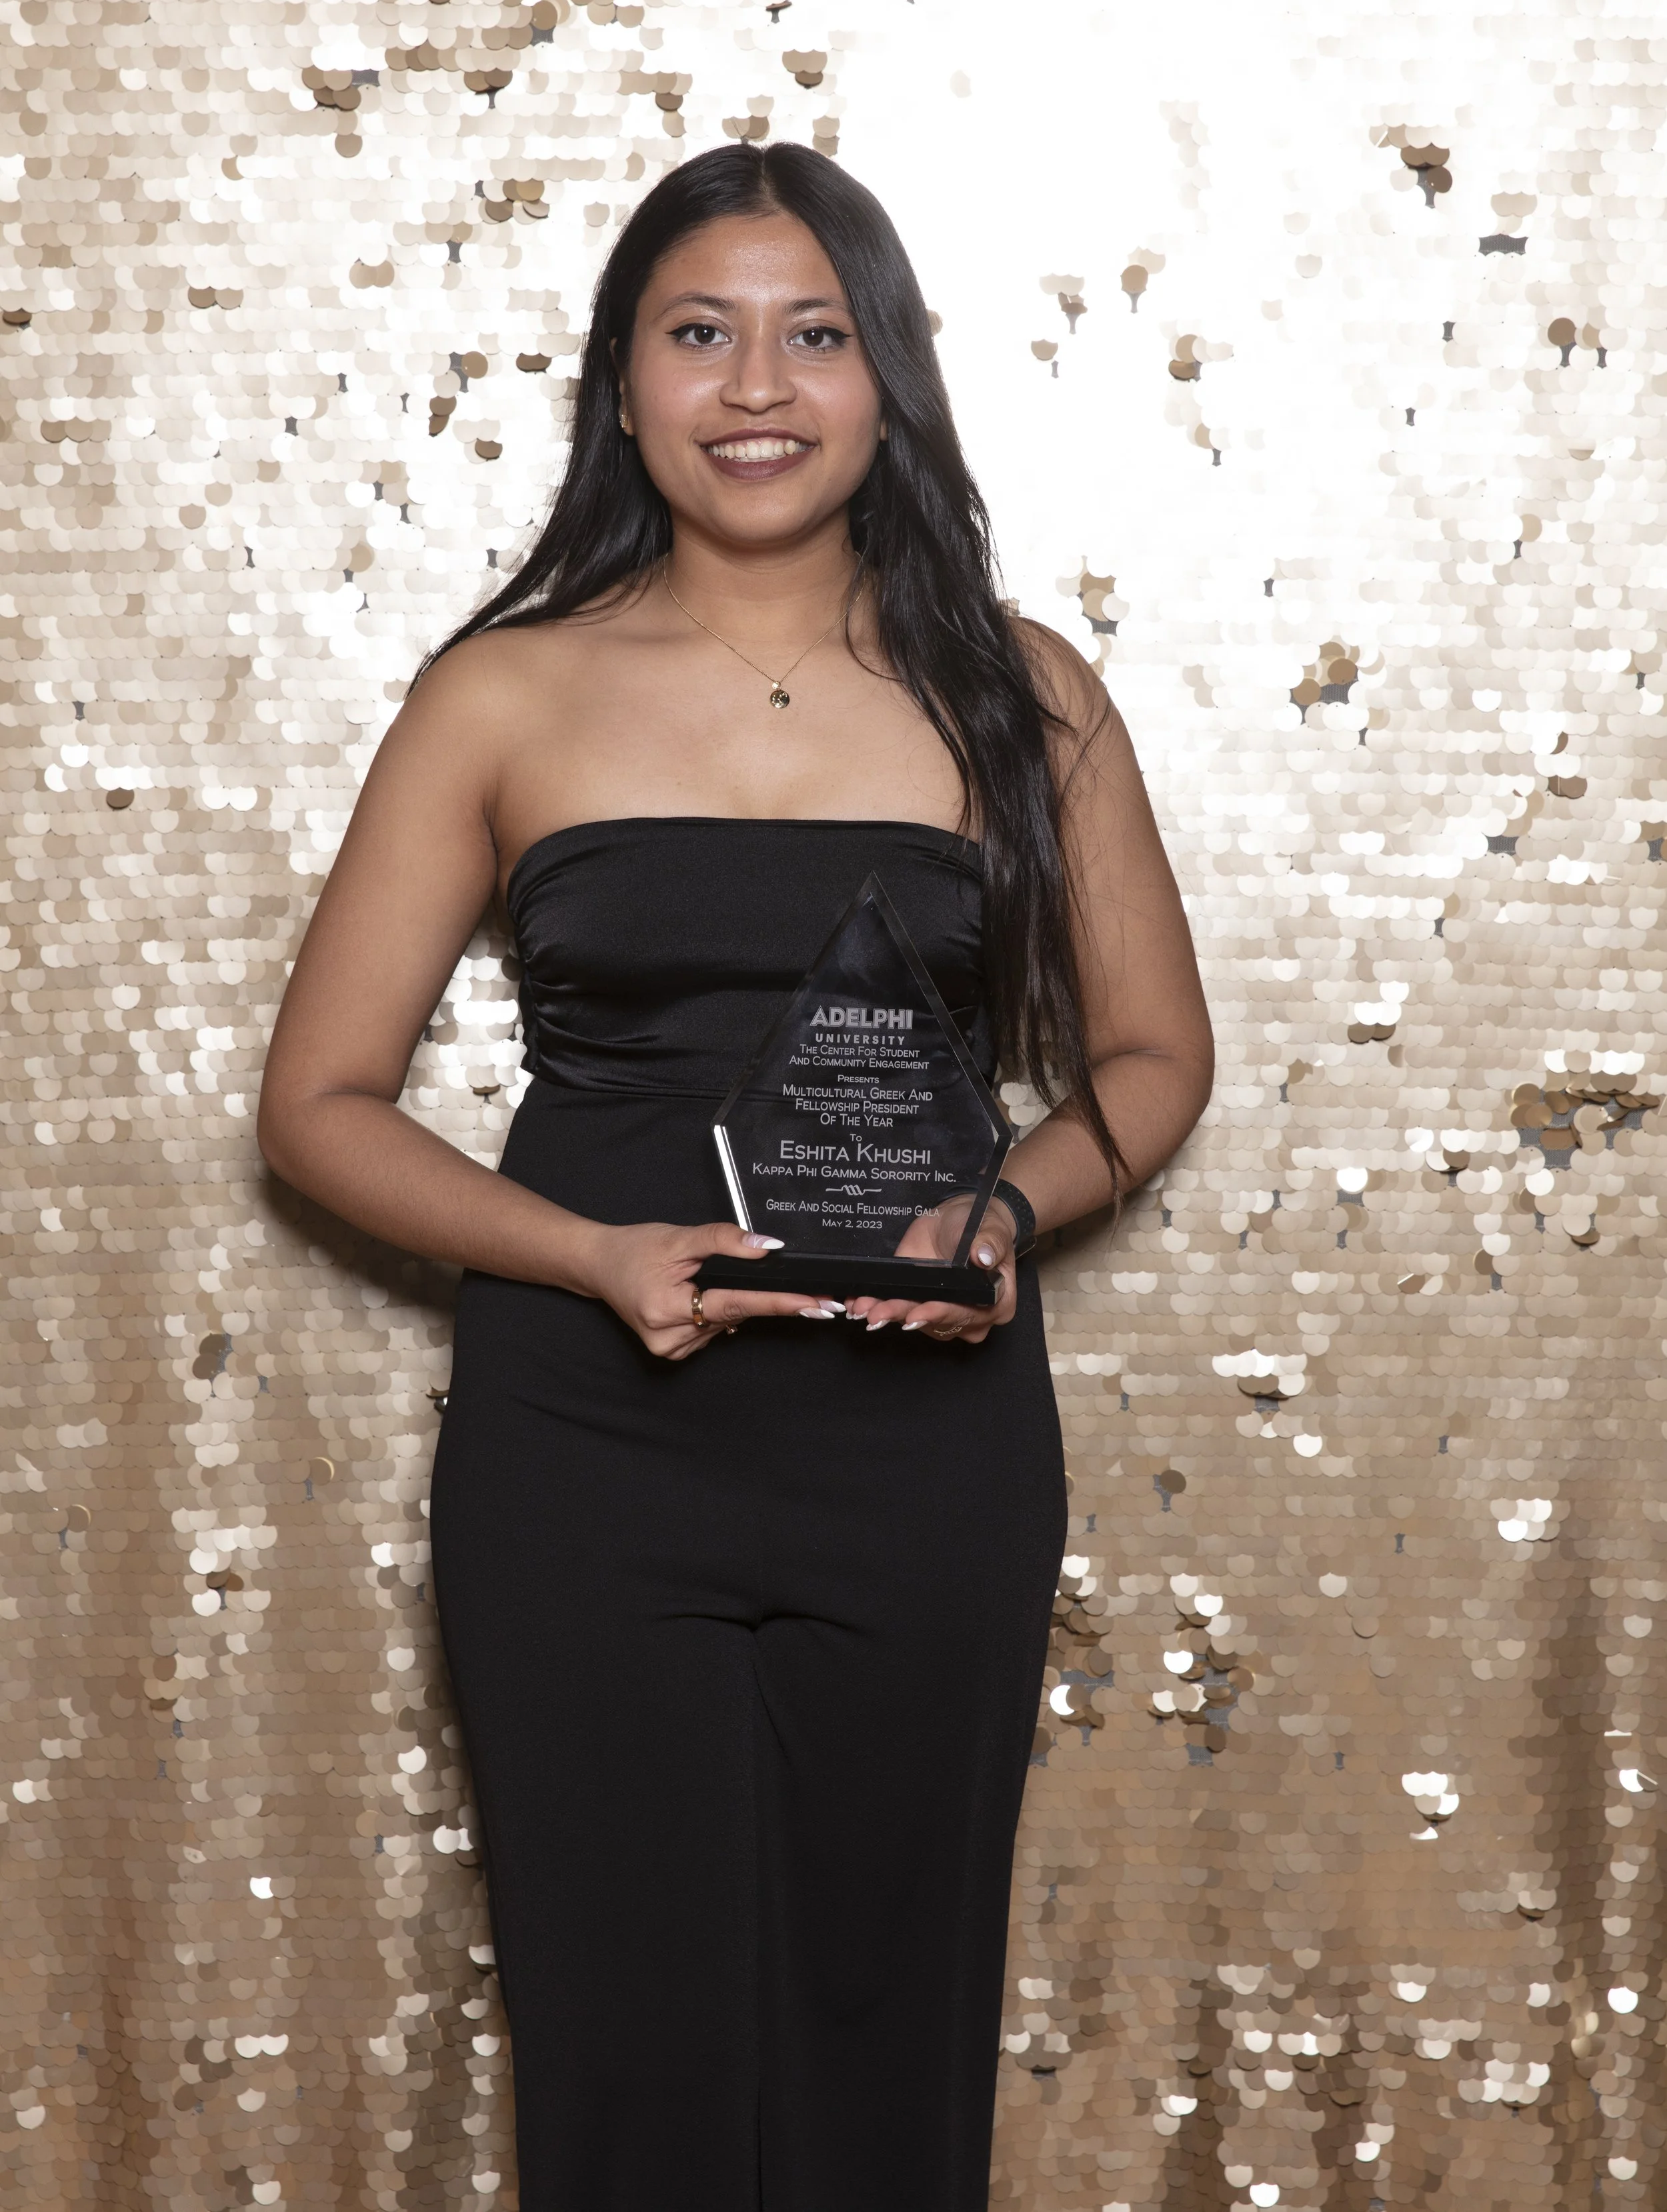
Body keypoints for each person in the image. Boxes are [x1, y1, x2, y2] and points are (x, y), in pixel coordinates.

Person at [257, 141, 1213, 2211]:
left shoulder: (1021, 689)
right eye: (700, 332)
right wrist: (588, 1254)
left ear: (890, 383)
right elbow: (318, 1103)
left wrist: (1007, 1209)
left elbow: (1151, 1059)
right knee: (626, 2040)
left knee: (890, 2016)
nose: (755, 382)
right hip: (587, 1443)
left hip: (925, 1444)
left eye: (814, 332)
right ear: (623, 380)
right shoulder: (501, 691)